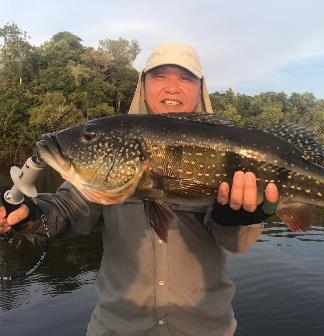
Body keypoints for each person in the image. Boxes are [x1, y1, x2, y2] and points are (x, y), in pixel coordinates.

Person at [0, 42, 279, 336]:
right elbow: (67, 210)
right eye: (159, 76)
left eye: (185, 78)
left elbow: (237, 243)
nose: (172, 87)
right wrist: (28, 212)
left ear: (200, 89)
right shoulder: (115, 152)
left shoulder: (228, 152)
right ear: (143, 85)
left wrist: (237, 218)